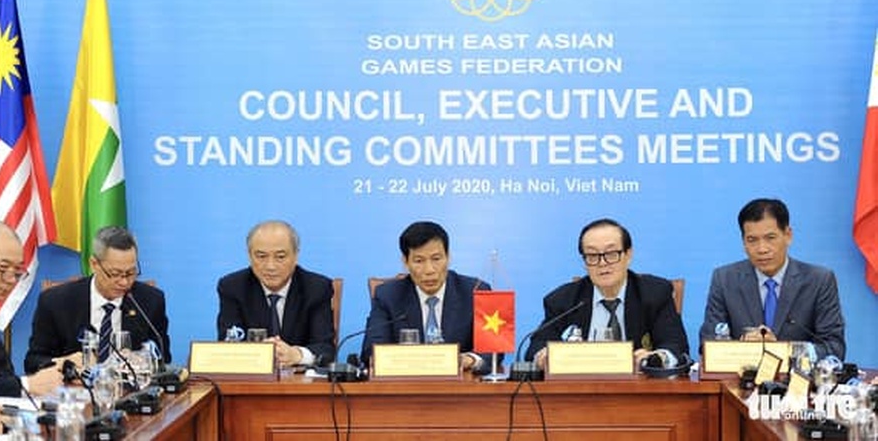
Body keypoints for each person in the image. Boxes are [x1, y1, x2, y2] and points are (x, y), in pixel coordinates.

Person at [526, 218, 689, 367]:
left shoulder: (654, 293)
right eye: (592, 255)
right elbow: (535, 348)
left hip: (639, 391)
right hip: (580, 391)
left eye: (611, 254)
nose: (602, 263)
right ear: (584, 262)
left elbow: (676, 346)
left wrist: (657, 358)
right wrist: (543, 356)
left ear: (628, 254)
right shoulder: (563, 300)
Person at [700, 198, 845, 359]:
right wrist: (743, 345)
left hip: (798, 380)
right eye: (752, 240)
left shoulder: (819, 280)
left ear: (788, 235)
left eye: (770, 238)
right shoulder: (725, 279)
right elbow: (708, 343)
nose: (762, 249)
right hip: (742, 379)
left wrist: (783, 350)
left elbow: (834, 348)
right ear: (743, 243)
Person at [25, 225, 172, 374]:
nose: (124, 282)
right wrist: (66, 364)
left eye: (131, 273)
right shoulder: (55, 302)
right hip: (75, 392)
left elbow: (163, 358)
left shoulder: (151, 301)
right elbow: (34, 361)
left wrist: (143, 359)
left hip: (130, 393)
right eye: (115, 274)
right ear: (94, 264)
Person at [360, 220, 493, 373]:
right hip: (406, 389)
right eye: (419, 261)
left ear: (448, 257)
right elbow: (371, 351)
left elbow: (492, 349)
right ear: (406, 262)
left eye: (436, 259)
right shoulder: (388, 296)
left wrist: (469, 360)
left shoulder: (475, 292)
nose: (429, 270)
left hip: (460, 390)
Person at [217, 220, 336, 366]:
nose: (270, 266)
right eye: (261, 256)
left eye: (280, 257)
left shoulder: (316, 288)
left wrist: (297, 355)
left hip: (300, 383)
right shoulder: (233, 287)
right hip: (252, 381)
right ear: (249, 255)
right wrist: (258, 353)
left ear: (296, 255)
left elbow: (325, 348)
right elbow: (228, 343)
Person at [0, 222, 62, 397]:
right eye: (3, 268)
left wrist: (57, 365)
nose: (11, 280)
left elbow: (1, 372)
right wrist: (25, 385)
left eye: (17, 272)